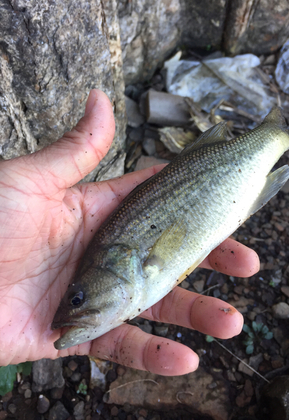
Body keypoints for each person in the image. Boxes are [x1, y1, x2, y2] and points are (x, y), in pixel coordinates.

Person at [0, 90, 259, 376]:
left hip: (222, 171)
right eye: (76, 300)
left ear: (115, 263)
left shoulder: (132, 267)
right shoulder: (120, 272)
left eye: (78, 299)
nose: (70, 312)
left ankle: (275, 134)